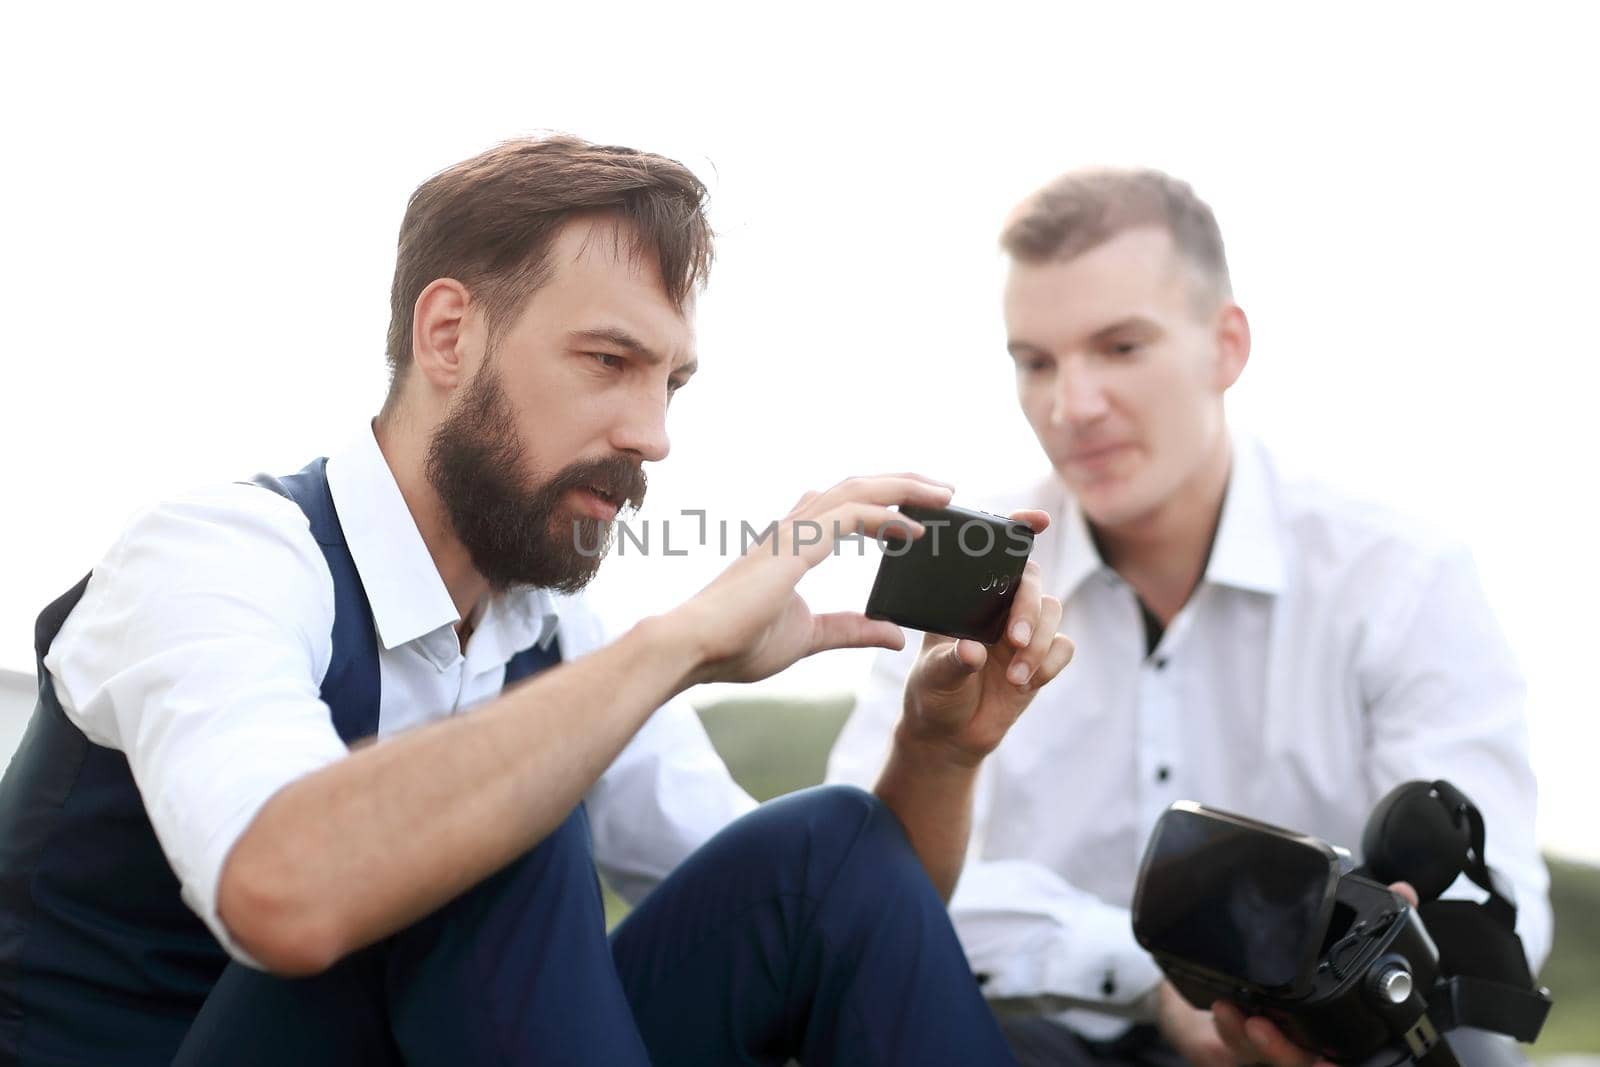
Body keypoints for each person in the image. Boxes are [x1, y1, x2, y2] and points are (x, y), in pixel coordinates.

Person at [0, 135, 1077, 1067]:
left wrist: (941, 750)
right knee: (498, 816)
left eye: (671, 384)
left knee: (833, 845)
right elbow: (279, 891)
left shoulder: (548, 637)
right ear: (448, 334)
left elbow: (848, 915)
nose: (652, 433)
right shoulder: (214, 554)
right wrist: (688, 637)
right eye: (608, 360)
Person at [827, 167, 1551, 1067]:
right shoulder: (963, 574)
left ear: (1226, 346)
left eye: (1120, 347)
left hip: (1335, 1044)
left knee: (1472, 1046)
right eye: (1035, 361)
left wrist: (1306, 995)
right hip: (1042, 1034)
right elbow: (863, 880)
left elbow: (1491, 901)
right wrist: (1147, 978)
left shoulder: (1401, 573)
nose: (1070, 405)